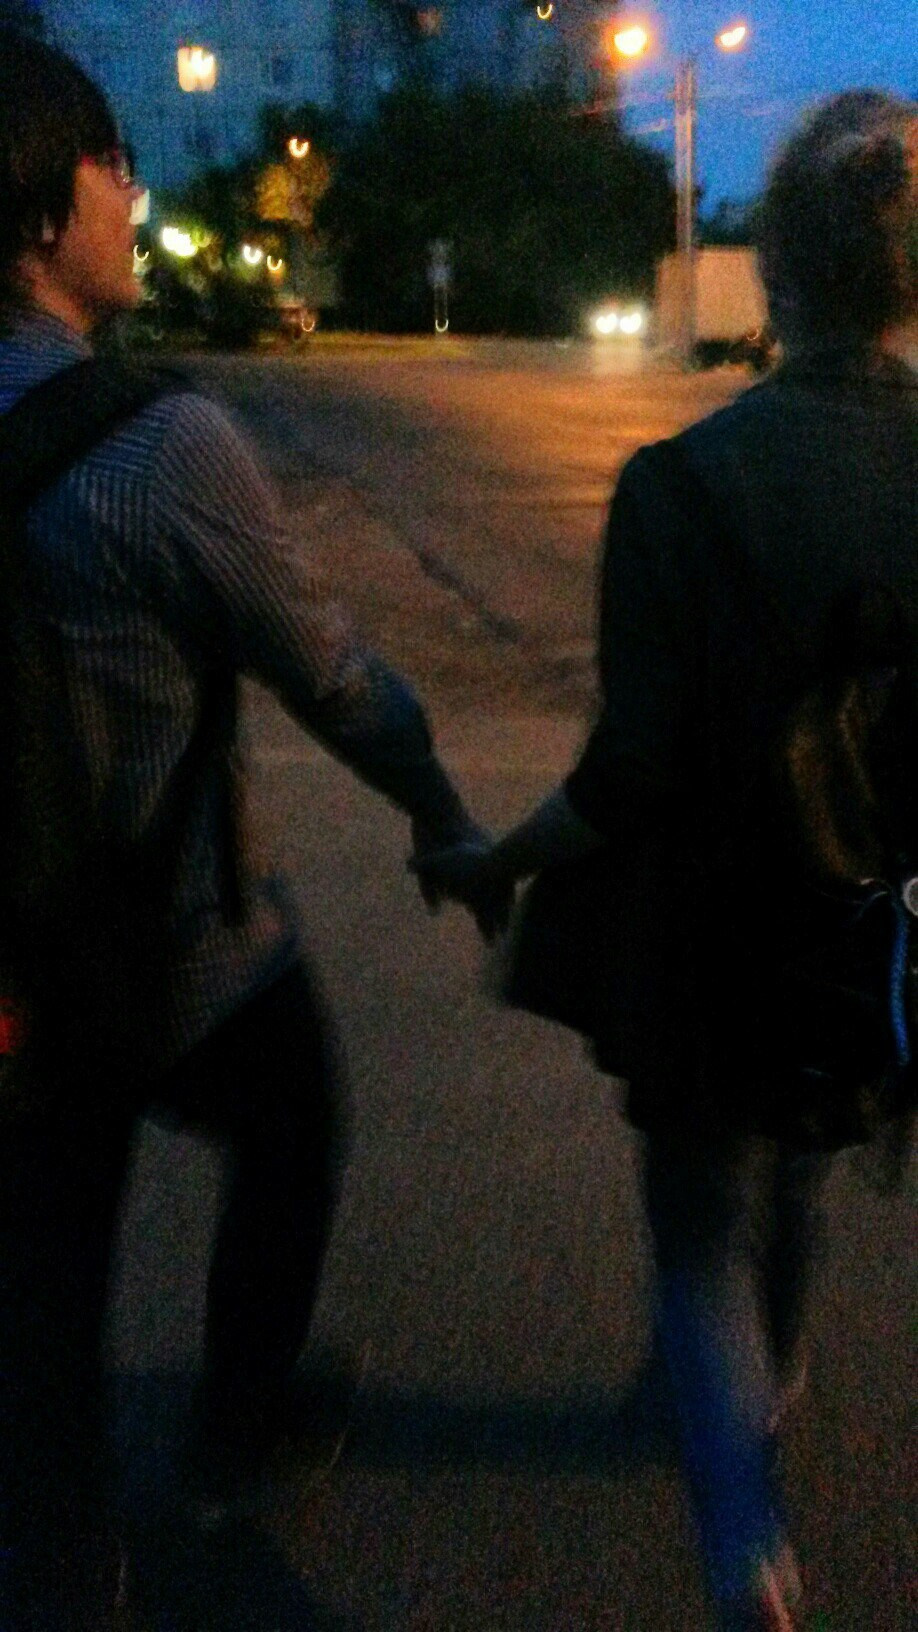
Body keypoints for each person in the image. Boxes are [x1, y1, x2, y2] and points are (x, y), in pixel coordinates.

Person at [0, 31, 494, 1632]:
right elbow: (335, 682)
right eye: (115, 167)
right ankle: (234, 1433)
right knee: (292, 1129)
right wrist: (442, 820)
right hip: (163, 942)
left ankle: (57, 1547)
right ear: (44, 208)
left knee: (49, 1239)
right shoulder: (156, 445)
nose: (135, 197)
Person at [416, 91, 917, 1630]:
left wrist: (497, 858)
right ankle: (762, 1384)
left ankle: (744, 1544)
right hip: (873, 947)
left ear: (772, 273)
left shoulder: (680, 485)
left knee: (698, 1221)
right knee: (799, 1164)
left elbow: (625, 775)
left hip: (707, 949)